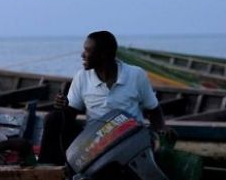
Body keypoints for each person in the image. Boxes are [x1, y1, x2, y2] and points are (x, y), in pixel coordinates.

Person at [37, 31, 172, 165]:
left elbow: (153, 110)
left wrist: (162, 129)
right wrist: (63, 106)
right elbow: (69, 115)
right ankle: (47, 169)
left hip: (128, 138)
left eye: (88, 51)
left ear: (104, 55)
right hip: (93, 141)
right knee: (53, 119)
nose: (82, 55)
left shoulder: (136, 75)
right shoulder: (82, 77)